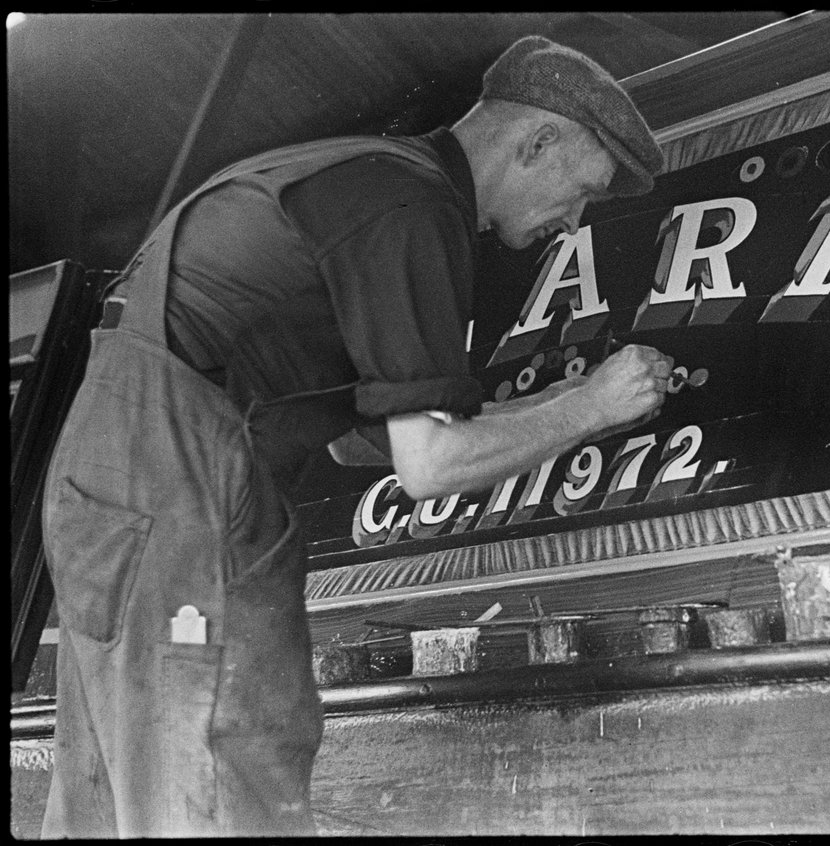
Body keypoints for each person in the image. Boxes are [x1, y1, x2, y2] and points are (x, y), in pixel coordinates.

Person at [40, 35, 671, 838]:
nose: (574, 219)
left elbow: (361, 444)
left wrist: (559, 400)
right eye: (581, 192)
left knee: (115, 796)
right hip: (179, 494)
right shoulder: (413, 207)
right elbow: (428, 465)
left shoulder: (369, 178)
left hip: (119, 493)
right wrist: (593, 410)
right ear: (535, 141)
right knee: (228, 777)